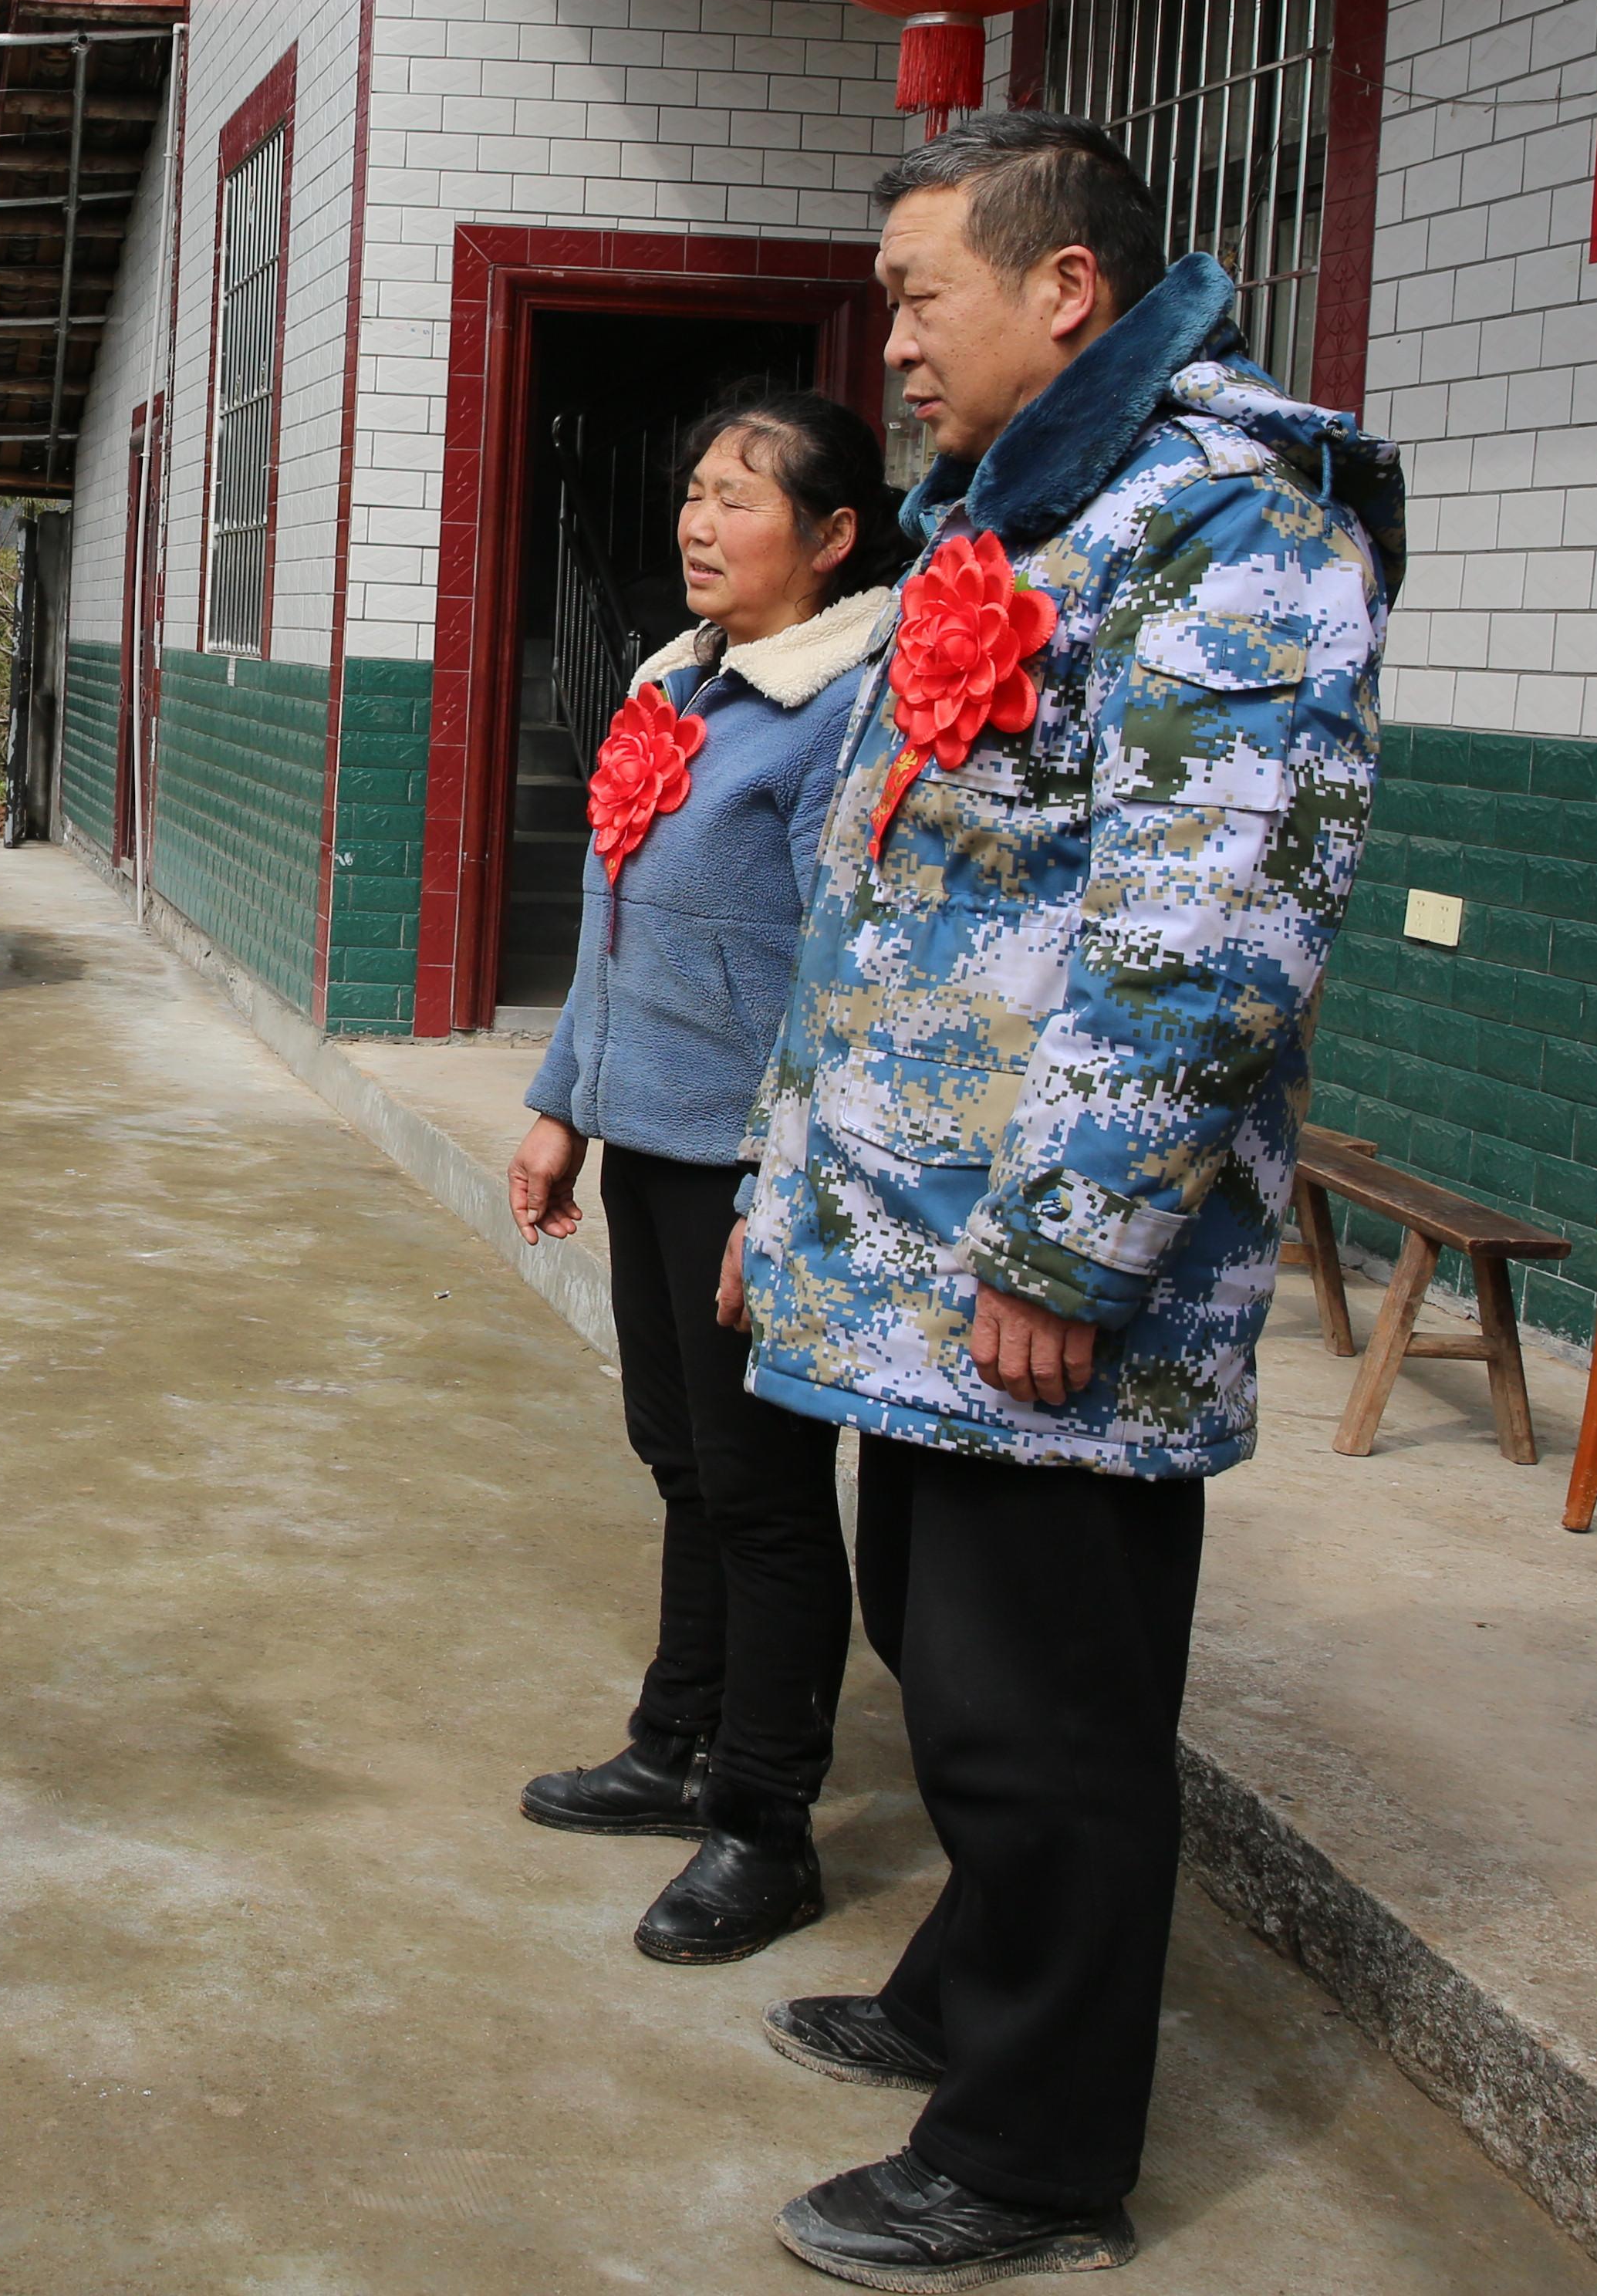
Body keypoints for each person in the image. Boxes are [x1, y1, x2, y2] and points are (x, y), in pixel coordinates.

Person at [734, 113, 1396, 2290]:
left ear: (1068, 293)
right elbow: (881, 894)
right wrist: (790, 1177)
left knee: (1049, 1721)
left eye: (924, 298)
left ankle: (1031, 2152)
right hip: (913, 1251)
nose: (894, 346)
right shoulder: (1013, 524)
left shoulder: (1230, 537)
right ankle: (957, 2000)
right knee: (947, 1668)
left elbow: (1205, 929)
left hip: (1044, 1281)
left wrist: (1066, 1244)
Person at [504, 391, 898, 1967]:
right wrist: (560, 1106)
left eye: (743, 497)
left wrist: (779, 1191)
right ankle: (676, 1743)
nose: (699, 521)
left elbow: (840, 976)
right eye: (694, 490)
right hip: (650, 1144)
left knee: (767, 1497)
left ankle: (763, 1822)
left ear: (833, 537)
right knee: (683, 1463)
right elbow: (615, 922)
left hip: (744, 1163)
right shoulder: (685, 686)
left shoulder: (838, 713)